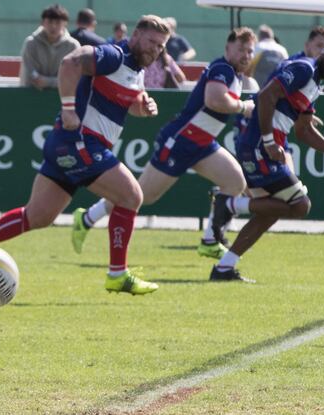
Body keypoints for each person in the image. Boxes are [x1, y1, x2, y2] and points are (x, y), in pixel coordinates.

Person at [0, 15, 171, 295]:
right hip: (80, 142)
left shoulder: (136, 69)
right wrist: (68, 106)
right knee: (131, 196)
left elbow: (128, 103)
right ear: (136, 35)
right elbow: (71, 62)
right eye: (152, 41)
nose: (156, 49)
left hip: (67, 145)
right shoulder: (115, 54)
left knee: (38, 216)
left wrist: (143, 106)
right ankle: (118, 274)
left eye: (162, 46)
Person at [73, 28, 257, 261]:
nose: (246, 55)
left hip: (202, 143)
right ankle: (87, 218)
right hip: (181, 141)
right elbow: (214, 99)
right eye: (241, 49)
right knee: (143, 195)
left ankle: (210, 240)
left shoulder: (236, 74)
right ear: (227, 48)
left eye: (250, 51)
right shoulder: (223, 68)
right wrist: (243, 107)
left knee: (234, 182)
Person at [205, 40, 324, 282]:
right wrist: (267, 140)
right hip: (259, 144)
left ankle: (224, 267)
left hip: (265, 144)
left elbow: (304, 130)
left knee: (270, 211)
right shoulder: (304, 68)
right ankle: (231, 205)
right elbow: (266, 96)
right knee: (300, 205)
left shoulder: (315, 83)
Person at [19, 4, 80, 89]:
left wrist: (47, 82)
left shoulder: (73, 46)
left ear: (65, 24)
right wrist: (40, 80)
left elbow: (74, 78)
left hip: (61, 98)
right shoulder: (31, 43)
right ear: (42, 23)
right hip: (32, 96)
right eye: (50, 22)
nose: (53, 26)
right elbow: (31, 75)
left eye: (58, 22)